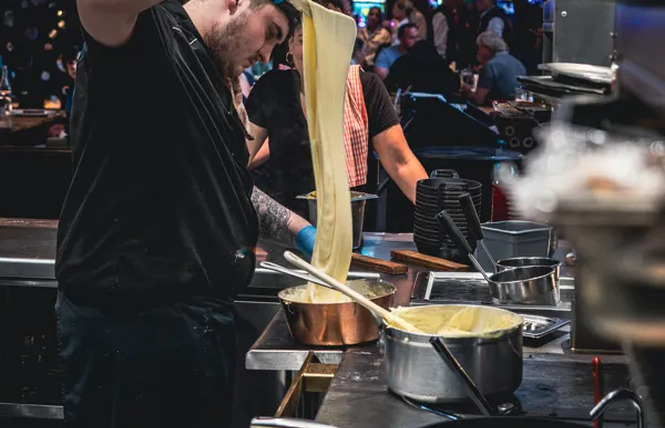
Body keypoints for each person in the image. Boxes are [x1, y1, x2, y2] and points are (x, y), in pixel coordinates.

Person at [55, 0, 293, 427]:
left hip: (195, 329)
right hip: (134, 330)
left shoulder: (214, 73)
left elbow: (216, 184)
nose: (266, 57)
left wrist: (297, 227)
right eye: (272, 32)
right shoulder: (150, 34)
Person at [245, 15, 428, 219]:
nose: (314, 50)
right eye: (303, 40)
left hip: (349, 230)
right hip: (285, 231)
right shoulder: (272, 87)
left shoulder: (366, 87)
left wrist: (439, 218)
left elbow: (401, 163)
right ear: (291, 47)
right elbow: (240, 157)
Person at [462, 30, 526, 105]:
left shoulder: (490, 66)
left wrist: (468, 92)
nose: (478, 52)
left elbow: (479, 100)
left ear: (488, 49)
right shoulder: (518, 63)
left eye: (480, 47)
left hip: (497, 111)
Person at [384, 40, 460, 95]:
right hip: (440, 108)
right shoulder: (441, 64)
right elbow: (455, 84)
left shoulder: (404, 62)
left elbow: (388, 85)